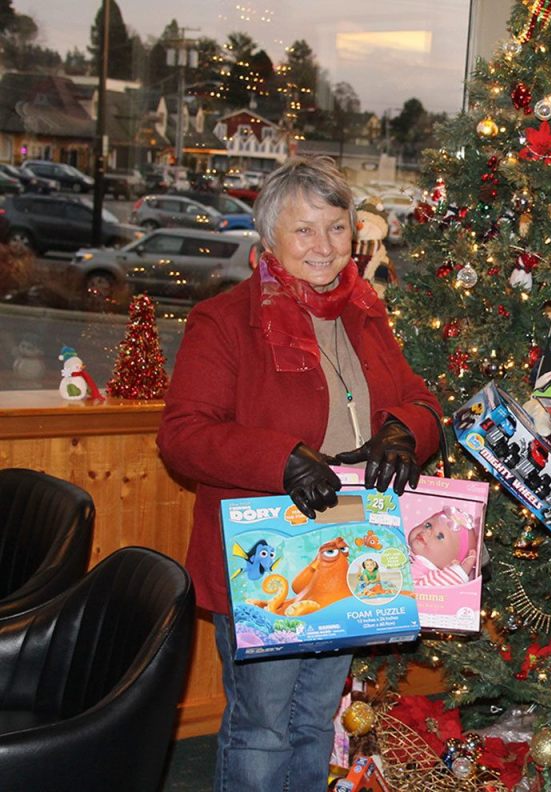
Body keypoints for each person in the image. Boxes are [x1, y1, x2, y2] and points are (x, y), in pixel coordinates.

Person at [157, 155, 440, 792]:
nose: (323, 245)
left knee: (316, 718)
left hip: (347, 547)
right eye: (304, 229)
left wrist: (403, 429)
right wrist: (278, 457)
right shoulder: (224, 321)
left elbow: (422, 402)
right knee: (262, 726)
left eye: (335, 227)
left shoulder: (364, 313)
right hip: (263, 555)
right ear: (269, 239)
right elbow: (182, 436)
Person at [407, 505, 480, 587]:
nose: (427, 531)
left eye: (439, 536)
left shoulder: (430, 576)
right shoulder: (402, 547)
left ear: (453, 563)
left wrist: (461, 571)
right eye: (428, 525)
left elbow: (426, 591)